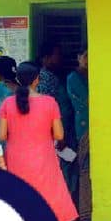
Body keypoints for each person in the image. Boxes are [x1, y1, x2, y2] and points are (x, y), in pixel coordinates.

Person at [0, 62, 78, 221]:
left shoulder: (7, 103)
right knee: (47, 196)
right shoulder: (50, 103)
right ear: (37, 80)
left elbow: (2, 135)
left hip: (16, 158)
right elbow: (59, 135)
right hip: (43, 157)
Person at [37, 42, 77, 196]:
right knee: (64, 167)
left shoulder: (52, 77)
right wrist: (57, 135)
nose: (60, 58)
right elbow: (47, 110)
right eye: (56, 55)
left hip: (63, 130)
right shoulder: (46, 79)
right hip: (57, 133)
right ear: (46, 58)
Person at [67, 48, 91, 221]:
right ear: (78, 58)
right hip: (84, 128)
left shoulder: (91, 75)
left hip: (95, 126)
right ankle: (85, 214)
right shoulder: (74, 78)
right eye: (85, 56)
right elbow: (89, 100)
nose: (89, 60)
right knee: (85, 170)